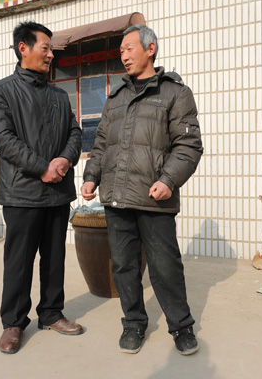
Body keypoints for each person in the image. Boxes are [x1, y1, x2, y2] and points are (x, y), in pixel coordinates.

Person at [81, 24, 203, 355]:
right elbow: (101, 143)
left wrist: (168, 180)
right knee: (124, 266)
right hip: (117, 196)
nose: (123, 55)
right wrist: (91, 176)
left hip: (154, 197)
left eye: (129, 48)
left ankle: (181, 326)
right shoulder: (115, 97)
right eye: (120, 50)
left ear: (150, 49)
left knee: (165, 267)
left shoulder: (175, 93)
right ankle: (134, 323)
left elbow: (188, 145)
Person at [0, 21, 84, 355]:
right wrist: (42, 168)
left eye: (51, 49)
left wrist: (64, 160)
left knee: (55, 257)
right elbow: (2, 139)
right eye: (46, 48)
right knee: (19, 260)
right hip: (22, 192)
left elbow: (74, 132)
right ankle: (13, 323)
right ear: (23, 48)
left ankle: (52, 313)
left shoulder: (59, 94)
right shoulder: (1, 91)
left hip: (57, 192)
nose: (51, 54)